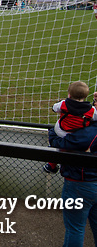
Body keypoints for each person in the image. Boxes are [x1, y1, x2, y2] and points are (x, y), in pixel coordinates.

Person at [48, 114, 97, 246]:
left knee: (75, 229)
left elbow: (61, 143)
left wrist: (53, 131)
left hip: (80, 184)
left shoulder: (88, 132)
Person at [44, 81, 97, 174]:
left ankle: (51, 164)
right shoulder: (91, 110)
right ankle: (51, 160)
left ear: (69, 95)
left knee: (53, 131)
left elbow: (54, 108)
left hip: (60, 132)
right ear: (85, 97)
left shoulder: (64, 103)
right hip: (76, 135)